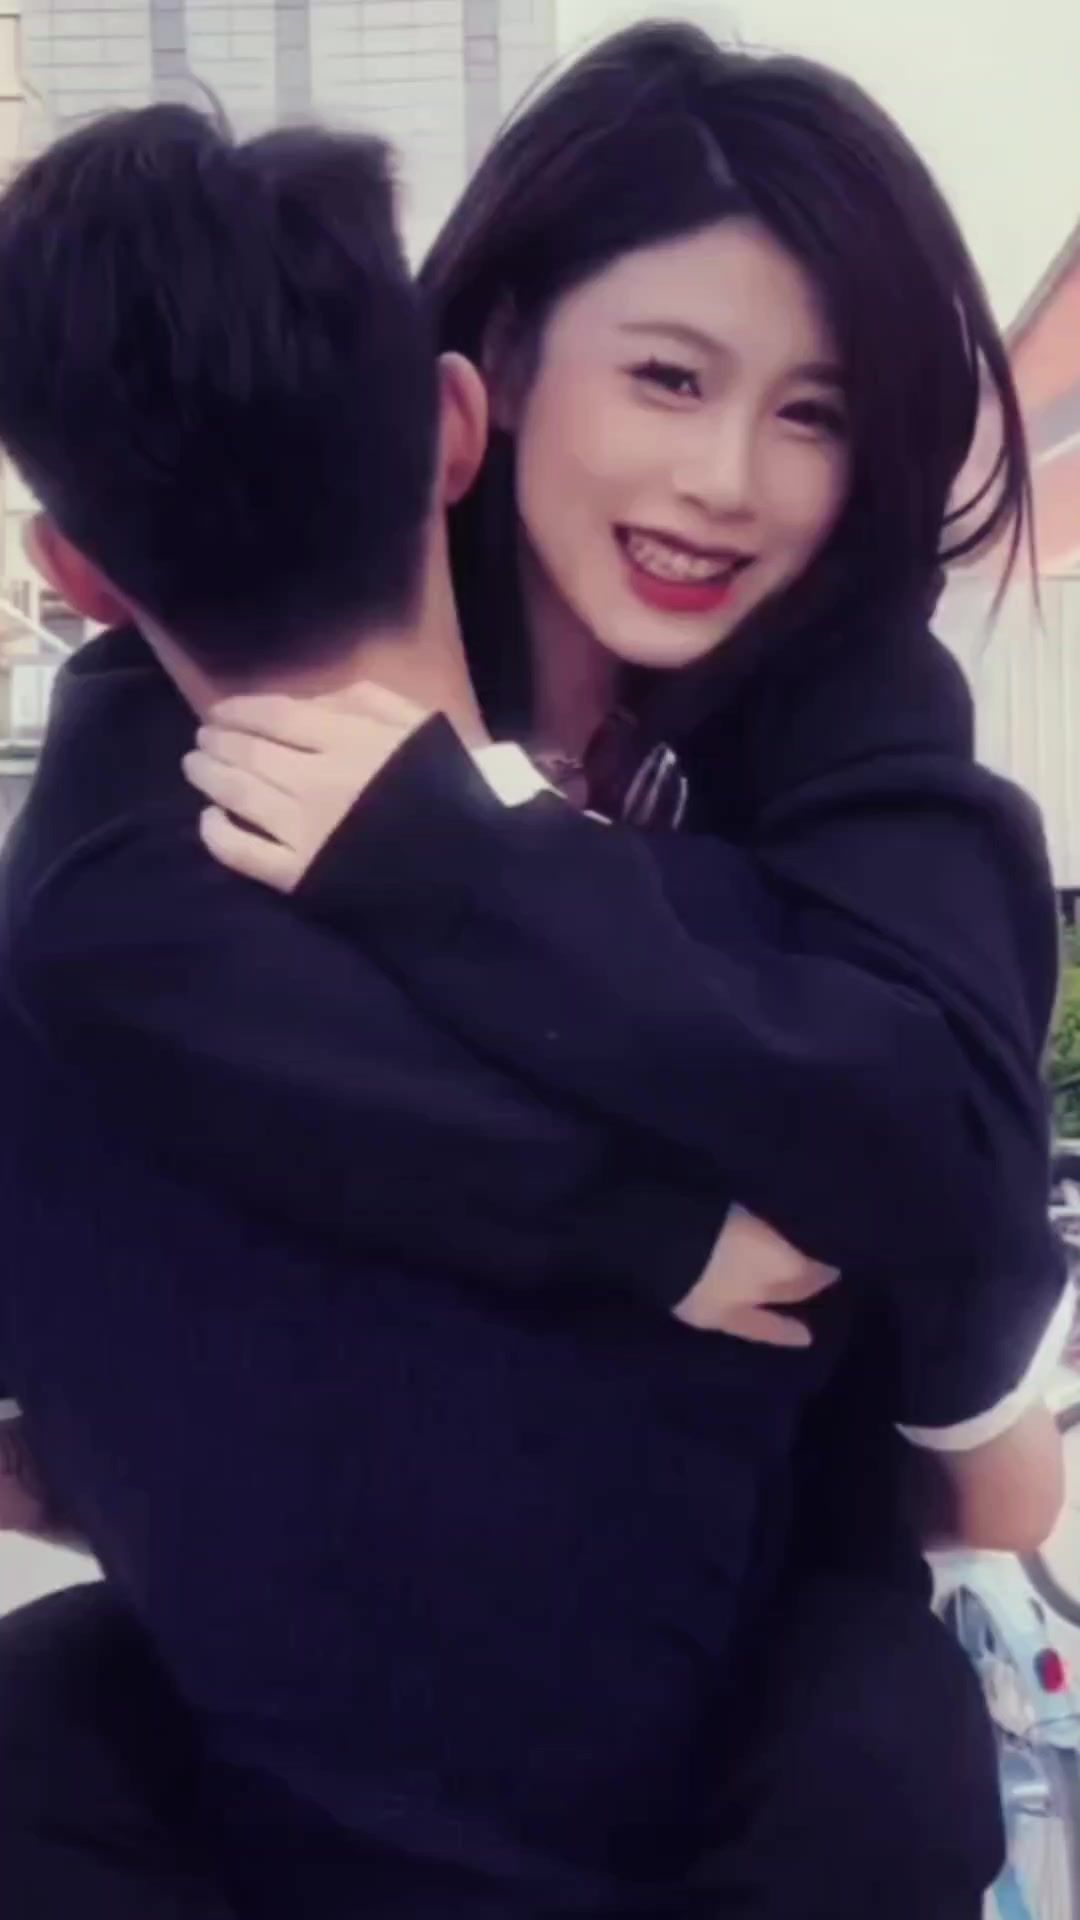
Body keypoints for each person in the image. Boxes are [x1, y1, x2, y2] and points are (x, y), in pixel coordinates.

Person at [0, 88, 1060, 1920]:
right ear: (476, 386)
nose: (726, 480)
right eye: (668, 378)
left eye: (814, 412)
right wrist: (642, 1229)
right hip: (314, 1752)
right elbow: (109, 958)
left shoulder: (847, 724)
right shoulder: (171, 774)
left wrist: (459, 857)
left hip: (747, 1737)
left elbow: (947, 1161)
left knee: (880, 1755)